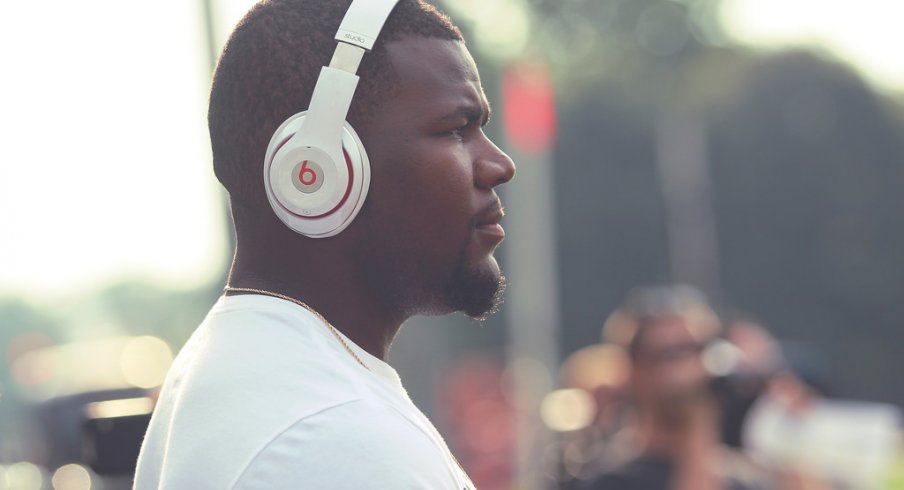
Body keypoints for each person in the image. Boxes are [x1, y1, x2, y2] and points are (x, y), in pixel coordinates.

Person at [133, 0, 515, 488]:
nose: (500, 165)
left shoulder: (256, 375)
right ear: (317, 171)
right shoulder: (335, 435)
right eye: (455, 129)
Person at [581, 286, 772, 490]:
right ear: (633, 370)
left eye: (699, 348)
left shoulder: (746, 478)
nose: (692, 366)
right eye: (672, 353)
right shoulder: (611, 481)